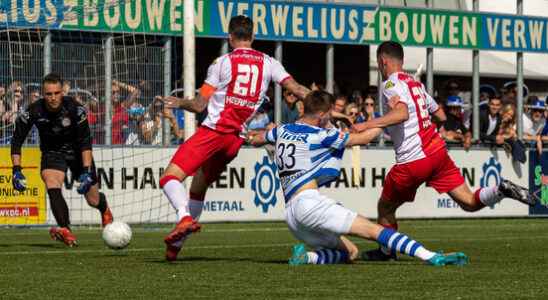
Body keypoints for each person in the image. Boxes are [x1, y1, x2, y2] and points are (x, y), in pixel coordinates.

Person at [353, 41, 535, 261]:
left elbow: (401, 114)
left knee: (385, 207)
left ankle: (386, 251)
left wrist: (368, 124)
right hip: (437, 152)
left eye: (378, 63)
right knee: (469, 202)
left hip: (413, 159)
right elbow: (439, 115)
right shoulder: (415, 84)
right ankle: (501, 189)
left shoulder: (390, 84)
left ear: (382, 61)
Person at [248, 90, 468, 266]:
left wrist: (248, 134)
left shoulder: (282, 130)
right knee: (374, 230)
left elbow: (257, 138)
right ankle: (430, 256)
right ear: (324, 115)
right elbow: (363, 138)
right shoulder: (321, 135)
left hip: (292, 216)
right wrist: (386, 120)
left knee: (351, 252)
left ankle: (308, 258)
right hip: (309, 203)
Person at [158, 15, 310, 261]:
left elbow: (199, 105)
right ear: (253, 37)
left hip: (214, 133)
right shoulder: (269, 63)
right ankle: (174, 248)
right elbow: (299, 90)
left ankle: (184, 218)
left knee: (169, 177)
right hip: (234, 142)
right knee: (198, 187)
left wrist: (178, 102)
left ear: (229, 37)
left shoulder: (221, 63)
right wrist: (325, 108)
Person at [10, 73, 113, 247]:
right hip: (52, 152)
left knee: (92, 199)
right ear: (43, 94)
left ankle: (104, 209)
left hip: (78, 152)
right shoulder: (33, 110)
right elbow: (17, 141)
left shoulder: (75, 109)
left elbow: (85, 142)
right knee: (51, 181)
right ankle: (65, 229)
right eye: (48, 94)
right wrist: (16, 170)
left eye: (56, 93)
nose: (53, 98)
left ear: (62, 92)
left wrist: (87, 171)